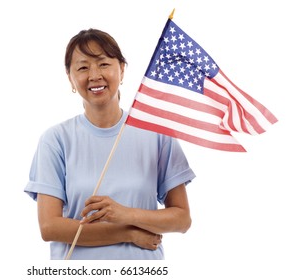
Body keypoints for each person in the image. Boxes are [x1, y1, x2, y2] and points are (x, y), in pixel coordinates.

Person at [24, 28, 196, 260]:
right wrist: (128, 233)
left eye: (103, 64)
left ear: (121, 70)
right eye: (83, 67)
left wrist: (126, 214)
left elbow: (182, 219)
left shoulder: (157, 134)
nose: (94, 75)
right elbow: (50, 228)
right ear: (70, 78)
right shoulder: (55, 140)